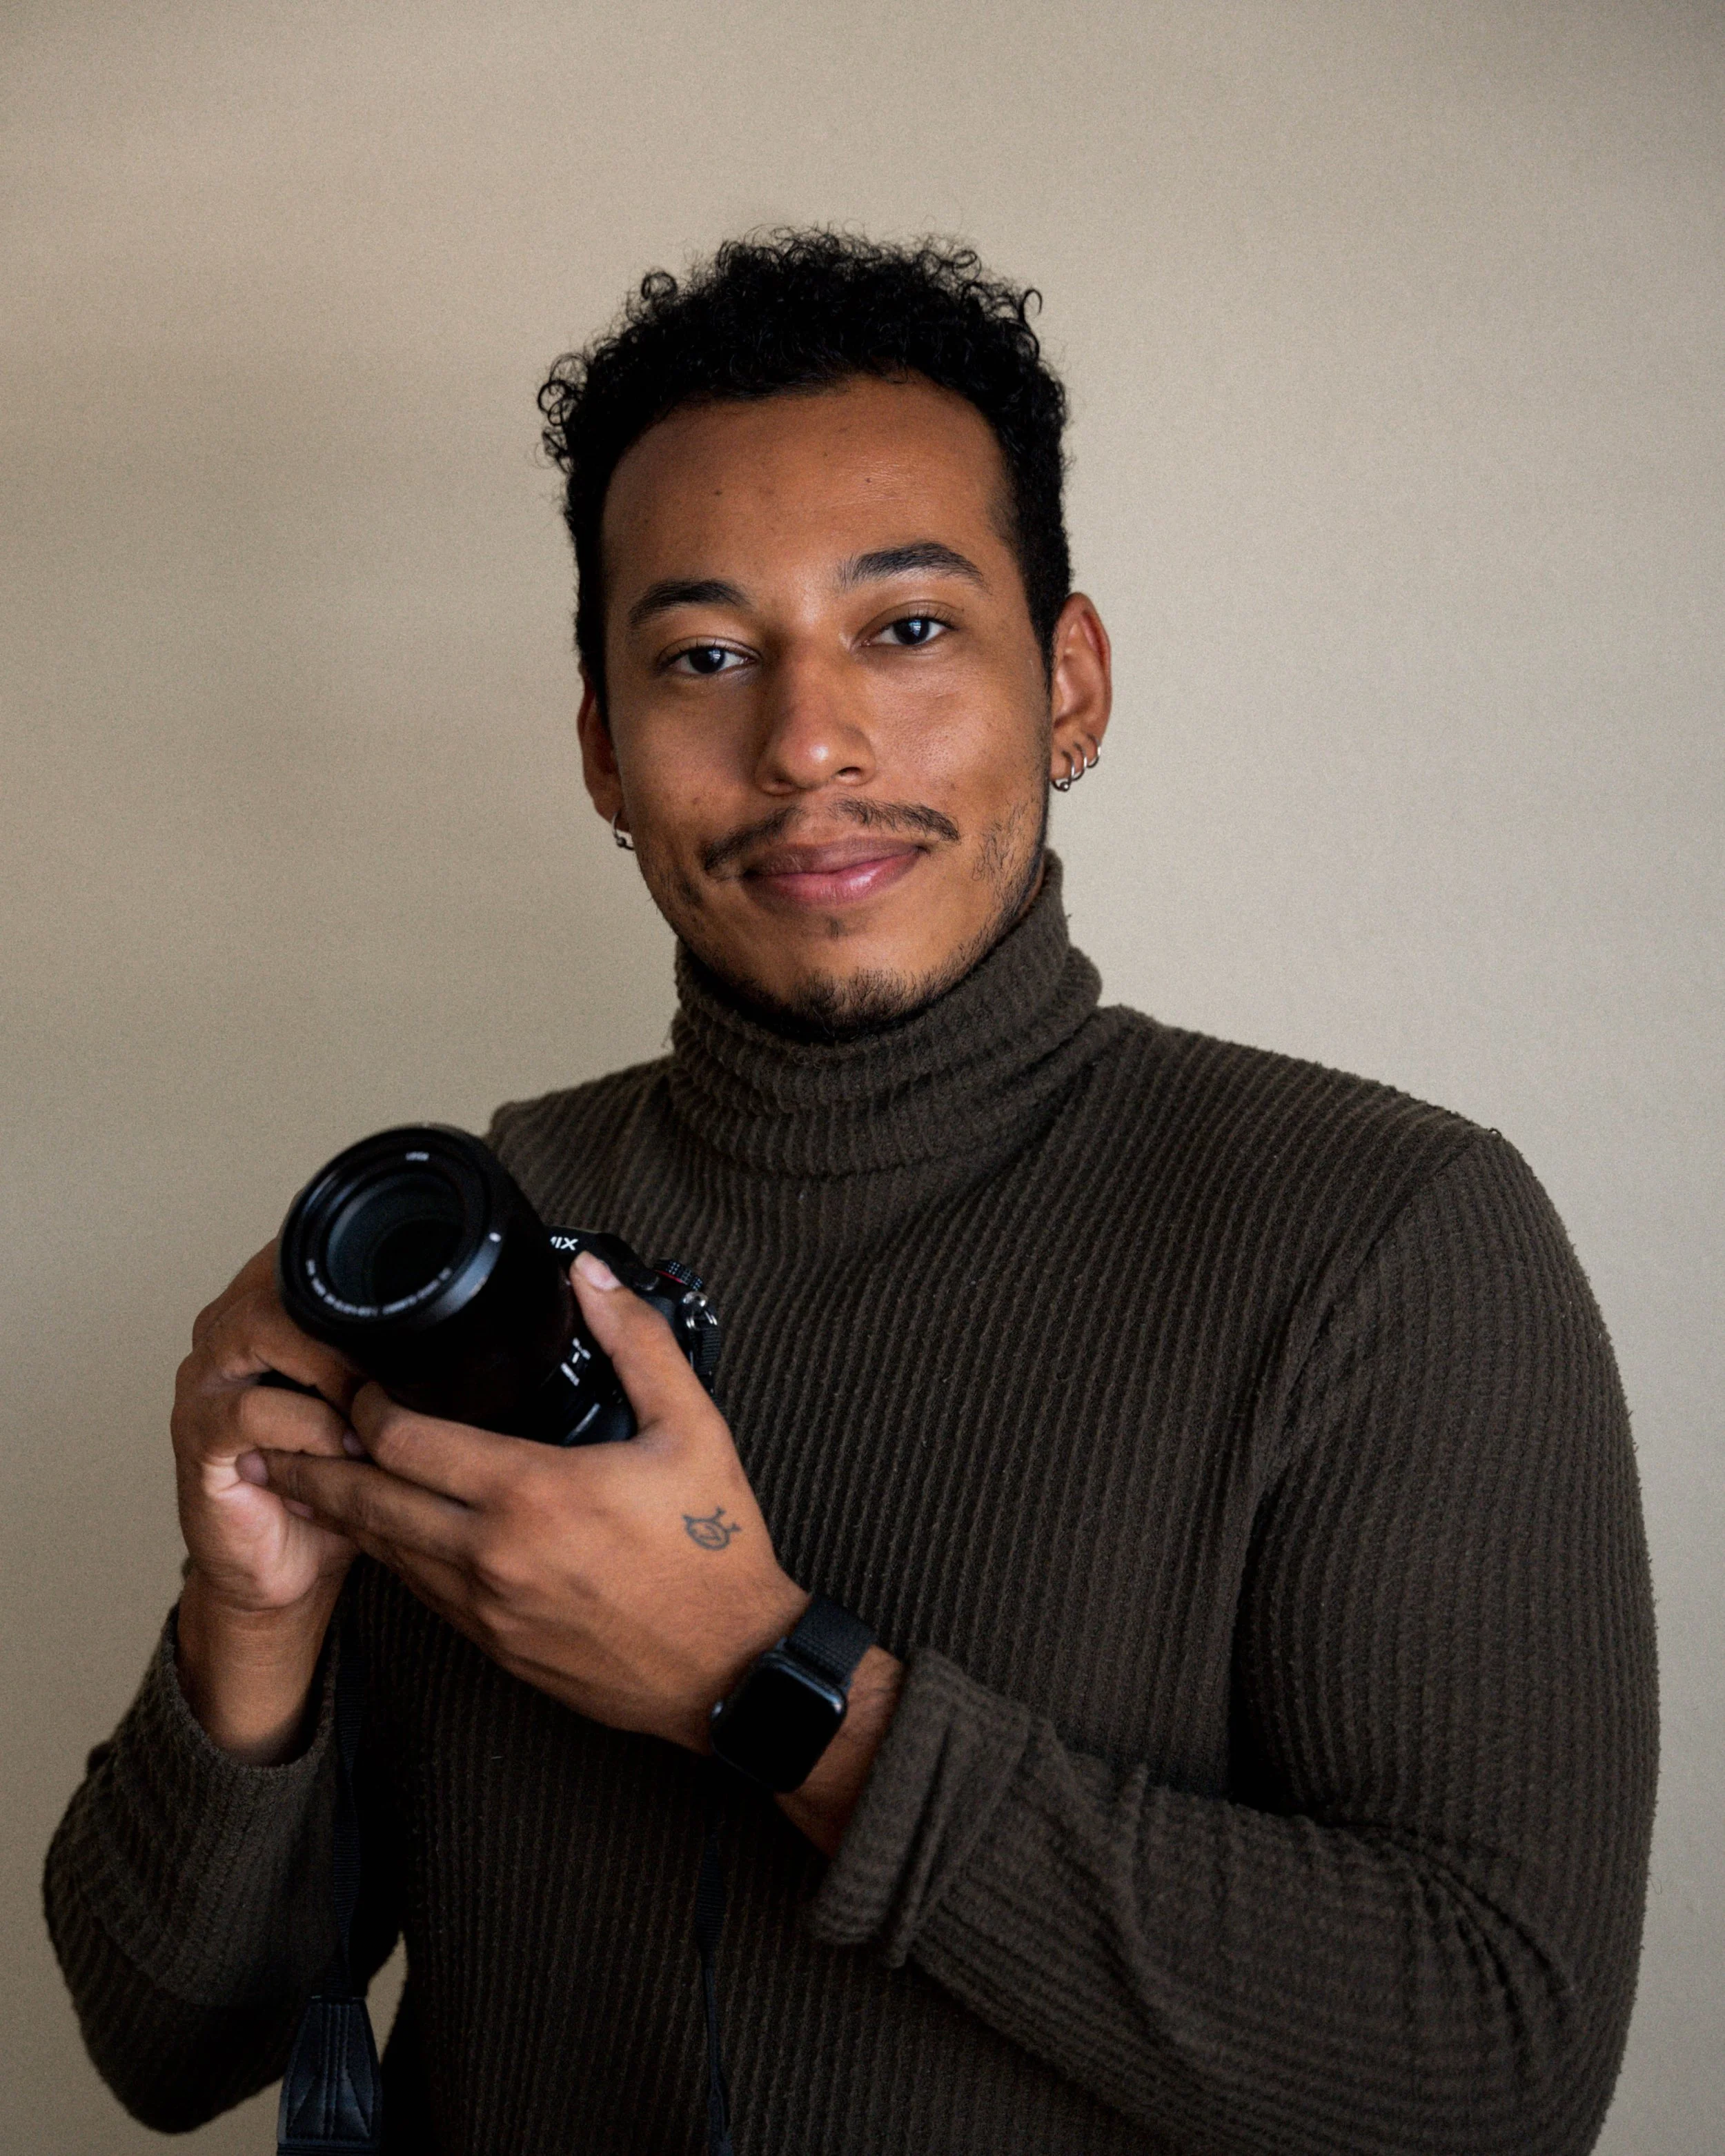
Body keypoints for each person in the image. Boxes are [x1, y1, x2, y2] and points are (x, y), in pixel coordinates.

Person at [46, 233, 1657, 2156]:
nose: (804, 743)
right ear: (601, 752)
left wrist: (764, 1682)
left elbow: (1496, 2065)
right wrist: (252, 1620)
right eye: (703, 656)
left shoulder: (1381, 1237)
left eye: (903, 630)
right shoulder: (499, 1227)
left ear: (1067, 687)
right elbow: (165, 2041)